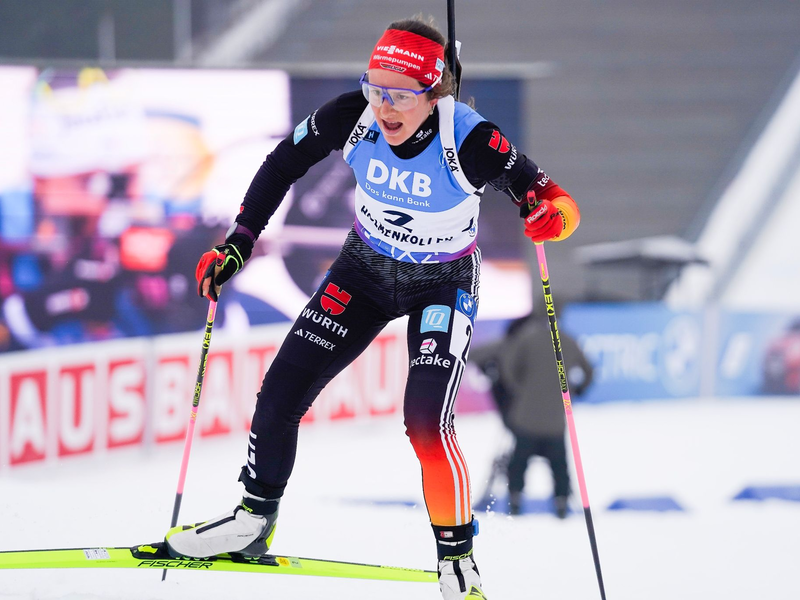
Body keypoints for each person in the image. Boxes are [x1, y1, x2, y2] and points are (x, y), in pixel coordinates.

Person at [164, 16, 581, 600]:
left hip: (443, 283)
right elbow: (283, 163)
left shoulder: (471, 138)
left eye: (401, 94)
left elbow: (557, 203)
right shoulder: (349, 115)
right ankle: (253, 520)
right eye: (375, 88)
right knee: (280, 392)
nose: (384, 107)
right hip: (363, 271)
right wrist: (240, 239)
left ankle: (456, 557)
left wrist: (551, 217)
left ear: (435, 92)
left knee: (425, 422)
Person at [471, 312, 594, 518]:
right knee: (559, 465)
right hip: (555, 420)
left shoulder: (524, 340)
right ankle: (561, 502)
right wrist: (574, 391)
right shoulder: (568, 341)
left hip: (525, 418)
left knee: (518, 463)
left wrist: (518, 390)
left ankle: (516, 500)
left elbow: (506, 367)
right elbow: (589, 371)